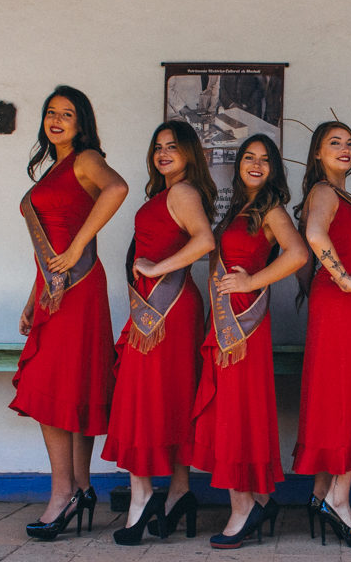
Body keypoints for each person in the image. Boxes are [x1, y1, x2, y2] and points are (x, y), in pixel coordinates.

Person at [12, 85, 128, 540]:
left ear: (82, 123)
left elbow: (117, 188)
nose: (57, 120)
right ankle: (79, 487)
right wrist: (32, 296)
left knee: (54, 385)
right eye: (51, 113)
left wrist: (79, 244)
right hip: (53, 289)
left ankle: (62, 494)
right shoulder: (53, 169)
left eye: (68, 114)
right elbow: (46, 248)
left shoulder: (85, 159)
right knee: (68, 385)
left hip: (78, 288)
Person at [100, 121, 217, 545]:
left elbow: (204, 242)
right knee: (168, 397)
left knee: (143, 397)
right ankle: (179, 493)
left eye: (173, 147)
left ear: (189, 153)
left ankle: (143, 495)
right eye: (158, 147)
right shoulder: (162, 195)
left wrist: (156, 268)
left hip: (167, 311)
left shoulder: (182, 192)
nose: (163, 153)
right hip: (162, 312)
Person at [190, 134, 309, 549]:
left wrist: (252, 280)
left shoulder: (270, 209)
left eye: (264, 160)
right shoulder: (237, 210)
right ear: (239, 164)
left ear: (274, 169)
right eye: (249, 158)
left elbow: (298, 255)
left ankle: (242, 509)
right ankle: (259, 499)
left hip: (245, 328)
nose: (256, 164)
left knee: (237, 413)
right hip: (223, 326)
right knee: (233, 409)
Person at [291, 121, 351, 548]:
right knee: (345, 397)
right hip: (341, 306)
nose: (345, 149)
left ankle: (320, 495)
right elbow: (315, 235)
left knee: (337, 396)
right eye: (335, 143)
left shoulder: (340, 194)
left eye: (350, 142)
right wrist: (345, 278)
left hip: (349, 309)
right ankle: (339, 501)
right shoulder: (325, 192)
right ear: (317, 153)